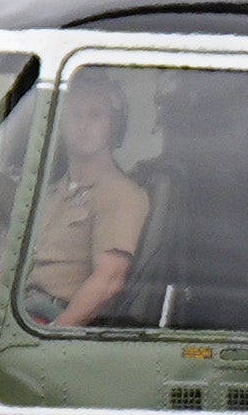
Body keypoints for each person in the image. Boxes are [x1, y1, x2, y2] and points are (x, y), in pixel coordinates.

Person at [18, 70, 151, 329]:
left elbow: (108, 281)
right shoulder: (50, 194)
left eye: (95, 115)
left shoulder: (121, 194)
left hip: (52, 319)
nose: (83, 125)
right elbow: (6, 276)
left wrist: (50, 335)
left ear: (114, 125)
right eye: (75, 115)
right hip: (21, 313)